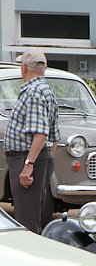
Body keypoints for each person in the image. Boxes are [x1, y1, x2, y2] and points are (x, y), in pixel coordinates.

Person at [4, 48, 59, 233]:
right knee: (31, 215)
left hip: (26, 158)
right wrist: (46, 160)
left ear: (24, 67)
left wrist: (29, 164)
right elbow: (54, 136)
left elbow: (41, 133)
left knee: (26, 221)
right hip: (37, 158)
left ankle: (29, 260)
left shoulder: (33, 92)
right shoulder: (45, 90)